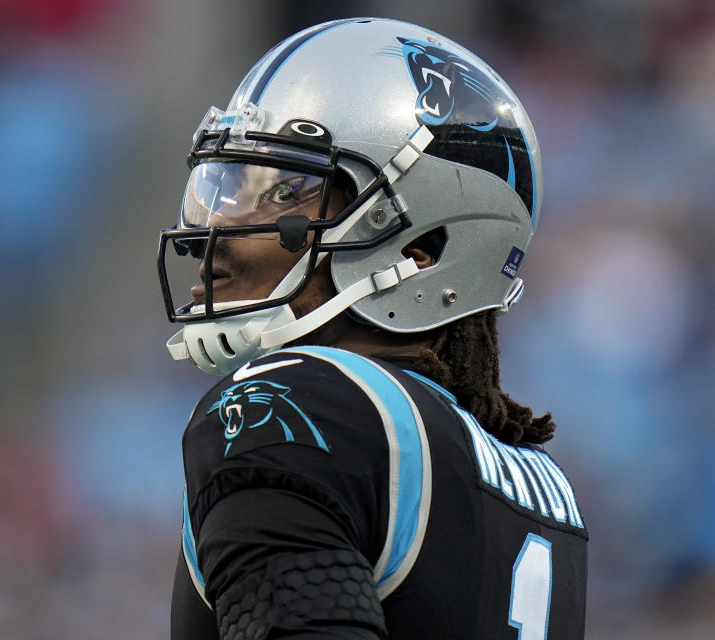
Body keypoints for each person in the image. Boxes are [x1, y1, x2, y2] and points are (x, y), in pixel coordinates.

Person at [158, 17, 587, 639]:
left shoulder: (294, 403)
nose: (214, 238)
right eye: (222, 188)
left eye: (282, 193)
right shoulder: (544, 484)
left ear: (420, 247)